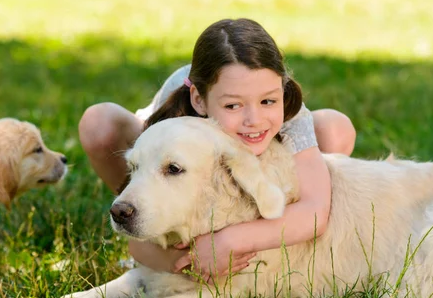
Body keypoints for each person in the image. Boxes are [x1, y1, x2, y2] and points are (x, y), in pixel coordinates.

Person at [79, 18, 356, 283]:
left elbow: (315, 212)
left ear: (281, 92)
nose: (254, 120)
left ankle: (275, 236)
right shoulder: (174, 122)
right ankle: (143, 219)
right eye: (233, 106)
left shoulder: (290, 117)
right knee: (99, 122)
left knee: (334, 127)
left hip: (260, 186)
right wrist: (177, 261)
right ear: (199, 100)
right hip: (161, 167)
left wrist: (231, 240)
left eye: (268, 101)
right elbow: (138, 250)